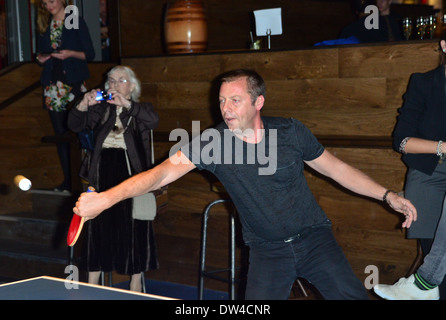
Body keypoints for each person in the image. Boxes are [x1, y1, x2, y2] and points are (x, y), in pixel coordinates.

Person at [73, 69, 416, 300]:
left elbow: (337, 170)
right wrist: (105, 198)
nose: (225, 108)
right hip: (268, 253)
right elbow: (159, 174)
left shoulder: (291, 132)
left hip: (314, 239)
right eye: (221, 100)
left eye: (234, 100)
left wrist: (387, 195)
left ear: (258, 102)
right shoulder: (213, 143)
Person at [67, 65, 160, 292]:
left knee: (134, 227)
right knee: (98, 227)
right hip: (101, 172)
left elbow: (153, 120)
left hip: (131, 174)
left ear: (132, 86)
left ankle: (136, 282)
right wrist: (83, 103)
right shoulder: (101, 110)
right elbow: (74, 124)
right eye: (111, 80)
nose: (114, 84)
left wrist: (127, 105)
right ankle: (92, 285)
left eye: (121, 80)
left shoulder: (139, 109)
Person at [372, 37, 446, 300]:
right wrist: (443, 147)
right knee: (433, 254)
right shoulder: (424, 83)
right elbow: (402, 141)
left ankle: (422, 285)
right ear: (445, 46)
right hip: (430, 171)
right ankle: (427, 287)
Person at [36, 0, 95, 193]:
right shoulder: (45, 23)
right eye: (45, 3)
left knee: (79, 133)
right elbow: (43, 52)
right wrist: (41, 58)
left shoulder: (73, 20)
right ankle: (69, 181)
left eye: (51, 1)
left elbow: (90, 54)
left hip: (73, 84)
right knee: (61, 135)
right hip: (53, 86)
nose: (48, 6)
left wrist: (70, 53)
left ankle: (87, 178)